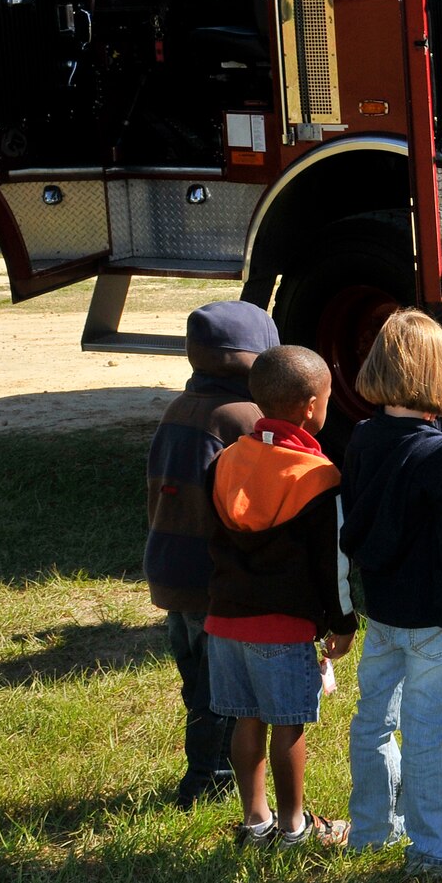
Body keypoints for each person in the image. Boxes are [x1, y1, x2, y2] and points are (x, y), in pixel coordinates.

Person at [341, 310, 442, 876]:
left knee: (373, 720)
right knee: (428, 734)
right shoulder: (440, 454)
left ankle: (372, 831)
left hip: (381, 614)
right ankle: (440, 849)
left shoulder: (361, 438)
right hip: (436, 623)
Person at [206, 345, 356, 849]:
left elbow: (213, 541)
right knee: (288, 728)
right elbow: (333, 564)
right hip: (283, 628)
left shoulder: (225, 461)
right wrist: (342, 622)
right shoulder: (319, 477)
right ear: (313, 406)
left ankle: (256, 822)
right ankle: (294, 827)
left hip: (225, 622)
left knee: (245, 720)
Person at [143, 300, 279, 809]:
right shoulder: (244, 418)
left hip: (170, 567)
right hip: (212, 575)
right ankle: (206, 780)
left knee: (195, 679)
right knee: (219, 690)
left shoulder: (179, 408)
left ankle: (210, 767)